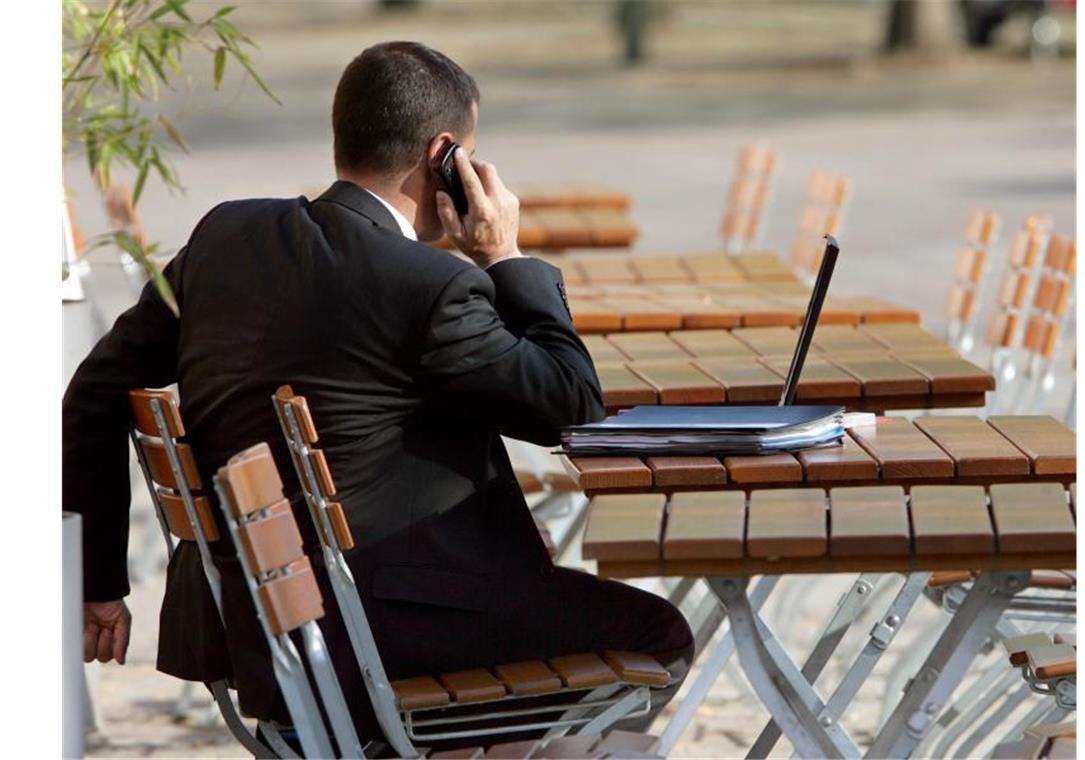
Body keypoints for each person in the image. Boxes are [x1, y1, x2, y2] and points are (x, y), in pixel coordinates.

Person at [63, 41, 693, 747]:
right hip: (376, 641)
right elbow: (568, 405)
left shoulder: (223, 236)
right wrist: (504, 256)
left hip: (249, 629)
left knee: (537, 580)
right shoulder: (429, 286)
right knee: (657, 635)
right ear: (443, 155)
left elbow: (93, 387)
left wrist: (96, 582)